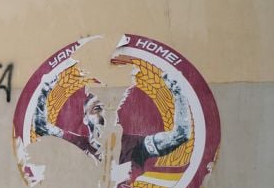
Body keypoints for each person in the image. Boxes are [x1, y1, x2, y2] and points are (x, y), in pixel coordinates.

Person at [33, 71, 191, 171]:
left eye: (110, 109)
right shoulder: (75, 144)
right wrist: (44, 91)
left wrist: (178, 93)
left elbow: (180, 135)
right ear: (85, 118)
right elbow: (42, 128)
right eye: (97, 109)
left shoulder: (136, 145)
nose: (105, 115)